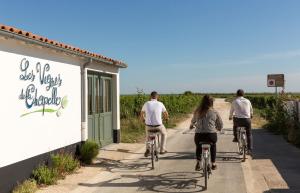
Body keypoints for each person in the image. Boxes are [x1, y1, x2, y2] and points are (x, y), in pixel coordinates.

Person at [190, 95, 223, 171]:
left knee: (198, 146)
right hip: (211, 135)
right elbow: (220, 124)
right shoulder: (214, 111)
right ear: (211, 103)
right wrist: (219, 128)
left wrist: (191, 125)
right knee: (213, 146)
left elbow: (193, 121)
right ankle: (213, 163)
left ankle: (198, 162)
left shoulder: (197, 111)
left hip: (199, 135)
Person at [140, 91, 169, 157]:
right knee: (164, 134)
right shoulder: (160, 103)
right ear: (157, 97)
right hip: (158, 126)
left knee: (147, 136)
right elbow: (166, 113)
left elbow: (142, 113)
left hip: (149, 126)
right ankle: (162, 150)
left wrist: (143, 119)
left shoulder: (146, 103)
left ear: (150, 96)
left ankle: (148, 149)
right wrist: (166, 118)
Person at [229, 89, 253, 154]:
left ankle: (236, 138)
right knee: (249, 134)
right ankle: (249, 149)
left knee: (235, 126)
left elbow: (231, 111)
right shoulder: (248, 101)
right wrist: (251, 115)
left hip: (238, 120)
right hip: (247, 120)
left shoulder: (234, 101)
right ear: (243, 94)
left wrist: (230, 117)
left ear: (237, 94)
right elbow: (251, 109)